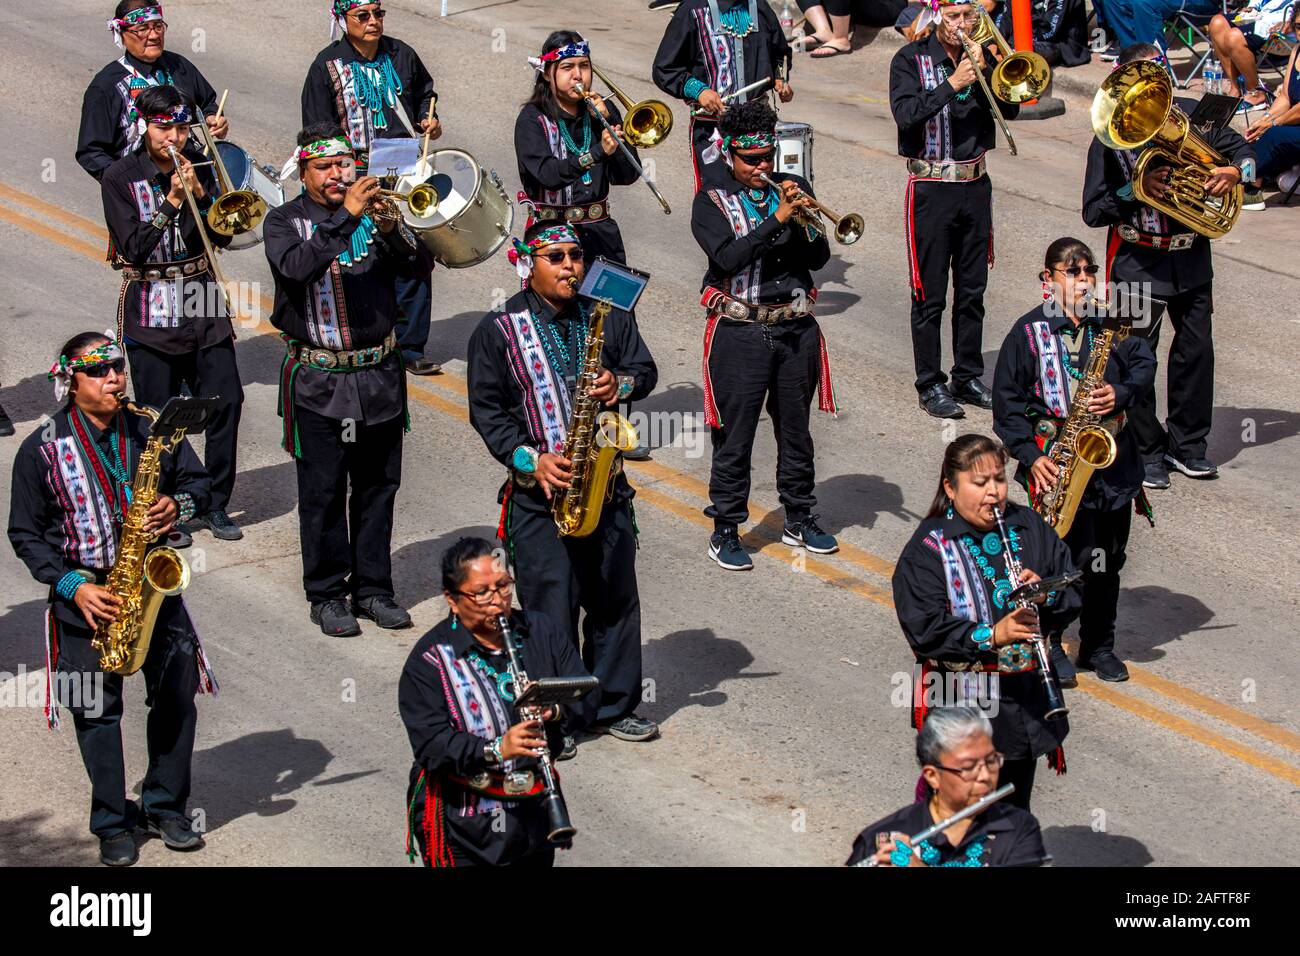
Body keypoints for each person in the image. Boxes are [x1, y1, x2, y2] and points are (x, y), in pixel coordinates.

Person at [7, 332, 217, 866]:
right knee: (96, 713)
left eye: (118, 367)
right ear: (69, 382)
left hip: (151, 582)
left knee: (175, 697)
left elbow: (200, 484)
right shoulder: (41, 448)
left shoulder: (153, 428)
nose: (115, 379)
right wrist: (73, 587)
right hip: (87, 594)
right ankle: (111, 821)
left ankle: (166, 805)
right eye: (100, 371)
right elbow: (26, 535)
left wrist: (179, 504)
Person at [466, 222, 660, 745]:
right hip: (539, 496)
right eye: (556, 257)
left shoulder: (605, 313)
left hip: (605, 488)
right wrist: (532, 460)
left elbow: (644, 369)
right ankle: (559, 721)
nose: (571, 266)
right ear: (529, 264)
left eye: (576, 255)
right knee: (550, 611)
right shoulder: (498, 329)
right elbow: (488, 411)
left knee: (614, 601)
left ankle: (613, 705)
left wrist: (621, 382)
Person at [263, 124, 434, 637]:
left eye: (344, 165)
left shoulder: (375, 213)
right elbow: (296, 268)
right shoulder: (285, 221)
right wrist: (346, 219)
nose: (338, 175)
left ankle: (374, 588)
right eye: (325, 168)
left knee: (379, 488)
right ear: (305, 172)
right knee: (323, 491)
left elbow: (419, 266)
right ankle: (327, 592)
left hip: (378, 376)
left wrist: (391, 229)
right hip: (319, 379)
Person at [1083, 42, 1256, 489]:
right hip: (1137, 260)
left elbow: (1250, 156)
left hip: (1191, 259)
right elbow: (1093, 210)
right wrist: (1135, 192)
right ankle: (1147, 450)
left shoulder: (1197, 118)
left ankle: (1189, 446)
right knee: (1134, 357)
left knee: (1196, 352)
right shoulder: (1109, 139)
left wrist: (1237, 173)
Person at [993, 237, 1156, 684]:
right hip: (1059, 466)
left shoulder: (1112, 327)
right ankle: (1049, 640)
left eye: (1089, 271)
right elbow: (1006, 408)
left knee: (1108, 558)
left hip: (1112, 465)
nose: (1084, 280)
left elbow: (1144, 365)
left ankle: (1099, 645)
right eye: (1074, 271)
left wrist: (1121, 394)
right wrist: (1030, 456)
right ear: (1049, 279)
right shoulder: (1026, 333)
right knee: (1067, 561)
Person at [892, 434, 1081, 810]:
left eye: (999, 479)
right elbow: (924, 629)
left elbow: (1072, 587)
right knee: (961, 820)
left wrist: (1045, 594)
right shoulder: (927, 549)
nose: (993, 492)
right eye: (979, 483)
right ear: (950, 486)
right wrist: (994, 634)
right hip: (959, 704)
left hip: (1021, 703)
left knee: (1012, 816)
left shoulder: (1026, 525)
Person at [690, 99, 838, 571]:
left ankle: (799, 515)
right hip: (740, 330)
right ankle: (727, 527)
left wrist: (805, 221)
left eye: (768, 157)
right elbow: (727, 259)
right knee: (734, 436)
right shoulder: (710, 200)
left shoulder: (794, 188)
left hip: (795, 328)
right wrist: (775, 220)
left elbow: (818, 260)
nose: (763, 168)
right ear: (730, 155)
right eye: (752, 160)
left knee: (796, 431)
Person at [100, 85, 245, 542]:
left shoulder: (199, 162)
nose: (175, 138)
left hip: (200, 294)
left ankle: (216, 504)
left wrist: (202, 197)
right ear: (145, 124)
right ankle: (167, 506)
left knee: (228, 404)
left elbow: (222, 237)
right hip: (151, 299)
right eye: (166, 128)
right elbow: (135, 249)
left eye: (182, 128)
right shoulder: (120, 177)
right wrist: (173, 203)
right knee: (160, 417)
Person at [399, 537, 595, 867]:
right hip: (464, 823)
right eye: (482, 593)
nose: (497, 601)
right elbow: (431, 745)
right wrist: (496, 748)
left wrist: (555, 711)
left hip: (533, 812)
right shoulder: (429, 661)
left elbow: (586, 696)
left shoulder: (542, 631)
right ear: (452, 599)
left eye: (503, 586)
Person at [890, 0, 1017, 420]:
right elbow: (906, 115)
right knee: (929, 295)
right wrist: (953, 82)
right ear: (934, 15)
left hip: (974, 185)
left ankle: (967, 374)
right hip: (931, 186)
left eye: (969, 17)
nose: (961, 25)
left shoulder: (980, 52)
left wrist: (991, 70)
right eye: (953, 16)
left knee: (973, 291)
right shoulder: (909, 59)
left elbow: (1011, 109)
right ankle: (930, 382)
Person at [301, 0, 443, 375]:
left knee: (413, 250)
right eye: (362, 16)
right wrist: (338, 177)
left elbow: (425, 95)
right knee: (365, 253)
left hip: (402, 166)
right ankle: (372, 332)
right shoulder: (325, 66)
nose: (373, 22)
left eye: (378, 14)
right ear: (342, 20)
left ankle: (411, 345)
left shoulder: (401, 54)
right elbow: (317, 131)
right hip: (353, 171)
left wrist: (429, 121)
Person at [846, 708, 1048, 866]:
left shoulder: (1019, 830)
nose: (985, 776)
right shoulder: (882, 837)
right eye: (969, 767)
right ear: (932, 776)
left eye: (991, 761)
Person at [514, 32, 644, 267]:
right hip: (552, 240)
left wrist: (607, 119)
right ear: (546, 73)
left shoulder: (603, 110)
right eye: (567, 67)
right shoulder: (532, 119)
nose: (578, 75)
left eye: (584, 66)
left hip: (602, 235)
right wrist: (596, 153)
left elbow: (628, 175)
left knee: (611, 304)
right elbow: (548, 175)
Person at [77, 1, 227, 182]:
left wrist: (213, 117)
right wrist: (123, 184)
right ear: (122, 34)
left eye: (158, 26)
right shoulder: (106, 87)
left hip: (190, 174)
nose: (154, 35)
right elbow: (91, 152)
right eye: (142, 29)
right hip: (143, 186)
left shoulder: (178, 66)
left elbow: (207, 103)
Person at [653, 0, 794, 190]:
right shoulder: (692, 11)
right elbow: (665, 69)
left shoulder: (759, 7)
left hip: (758, 126)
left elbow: (780, 55)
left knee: (762, 192)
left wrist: (779, 79)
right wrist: (698, 90)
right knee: (718, 195)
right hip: (713, 127)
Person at [1243, 37, 1300, 207]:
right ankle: (1250, 181)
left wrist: (1275, 123)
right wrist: (1265, 119)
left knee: (1274, 135)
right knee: (1254, 134)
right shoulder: (1297, 51)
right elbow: (1285, 97)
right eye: (1298, 25)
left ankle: (1245, 188)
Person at [1207, 0, 1296, 108]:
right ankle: (1236, 87)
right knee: (1217, 22)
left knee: (1234, 36)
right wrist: (1252, 7)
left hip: (1285, 32)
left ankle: (1256, 93)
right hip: (1262, 17)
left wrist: (1294, 21)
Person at [1102, 0, 1223, 52]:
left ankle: (1154, 66)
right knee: (1112, 1)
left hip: (1203, 4)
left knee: (1144, 3)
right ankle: (1134, 59)